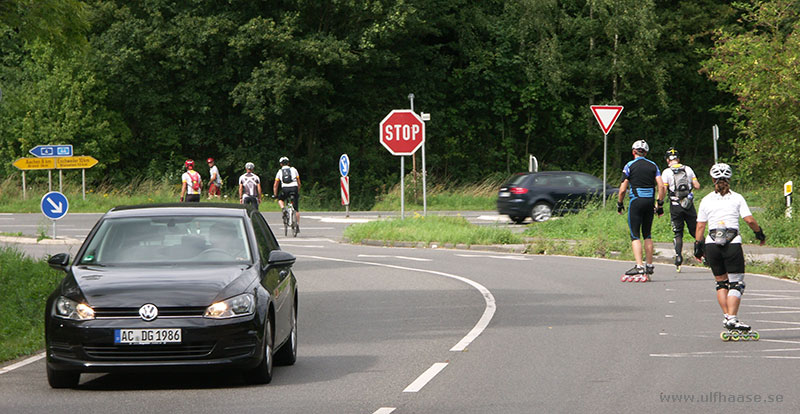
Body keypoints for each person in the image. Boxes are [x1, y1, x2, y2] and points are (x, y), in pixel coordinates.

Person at [694, 163, 766, 332]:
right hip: (732, 242)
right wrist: (759, 233)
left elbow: (700, 226)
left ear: (713, 179)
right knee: (736, 283)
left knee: (721, 284)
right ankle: (733, 318)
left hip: (711, 243)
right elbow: (749, 220)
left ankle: (728, 317)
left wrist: (698, 246)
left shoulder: (706, 199)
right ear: (730, 179)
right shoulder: (737, 198)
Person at [617, 140, 666, 280]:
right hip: (650, 202)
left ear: (633, 152)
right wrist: (660, 204)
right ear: (646, 153)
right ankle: (649, 265)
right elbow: (661, 187)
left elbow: (622, 189)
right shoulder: (653, 165)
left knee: (635, 235)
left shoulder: (629, 165)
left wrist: (620, 204)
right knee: (647, 234)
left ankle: (639, 266)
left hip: (636, 202)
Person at [660, 147, 701, 272]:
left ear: (668, 160)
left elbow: (663, 189)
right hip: (688, 205)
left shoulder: (667, 172)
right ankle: (704, 254)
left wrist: (659, 203)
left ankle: (678, 258)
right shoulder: (688, 169)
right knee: (696, 230)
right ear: (678, 159)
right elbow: (697, 186)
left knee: (678, 233)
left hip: (675, 205)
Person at [274, 156, 301, 232]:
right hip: (294, 188)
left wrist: (275, 194)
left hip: (285, 189)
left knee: (280, 199)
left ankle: (283, 209)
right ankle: (297, 225)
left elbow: (276, 185)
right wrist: (297, 191)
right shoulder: (294, 170)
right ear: (288, 163)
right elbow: (299, 182)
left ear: (281, 164)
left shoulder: (280, 171)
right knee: (296, 209)